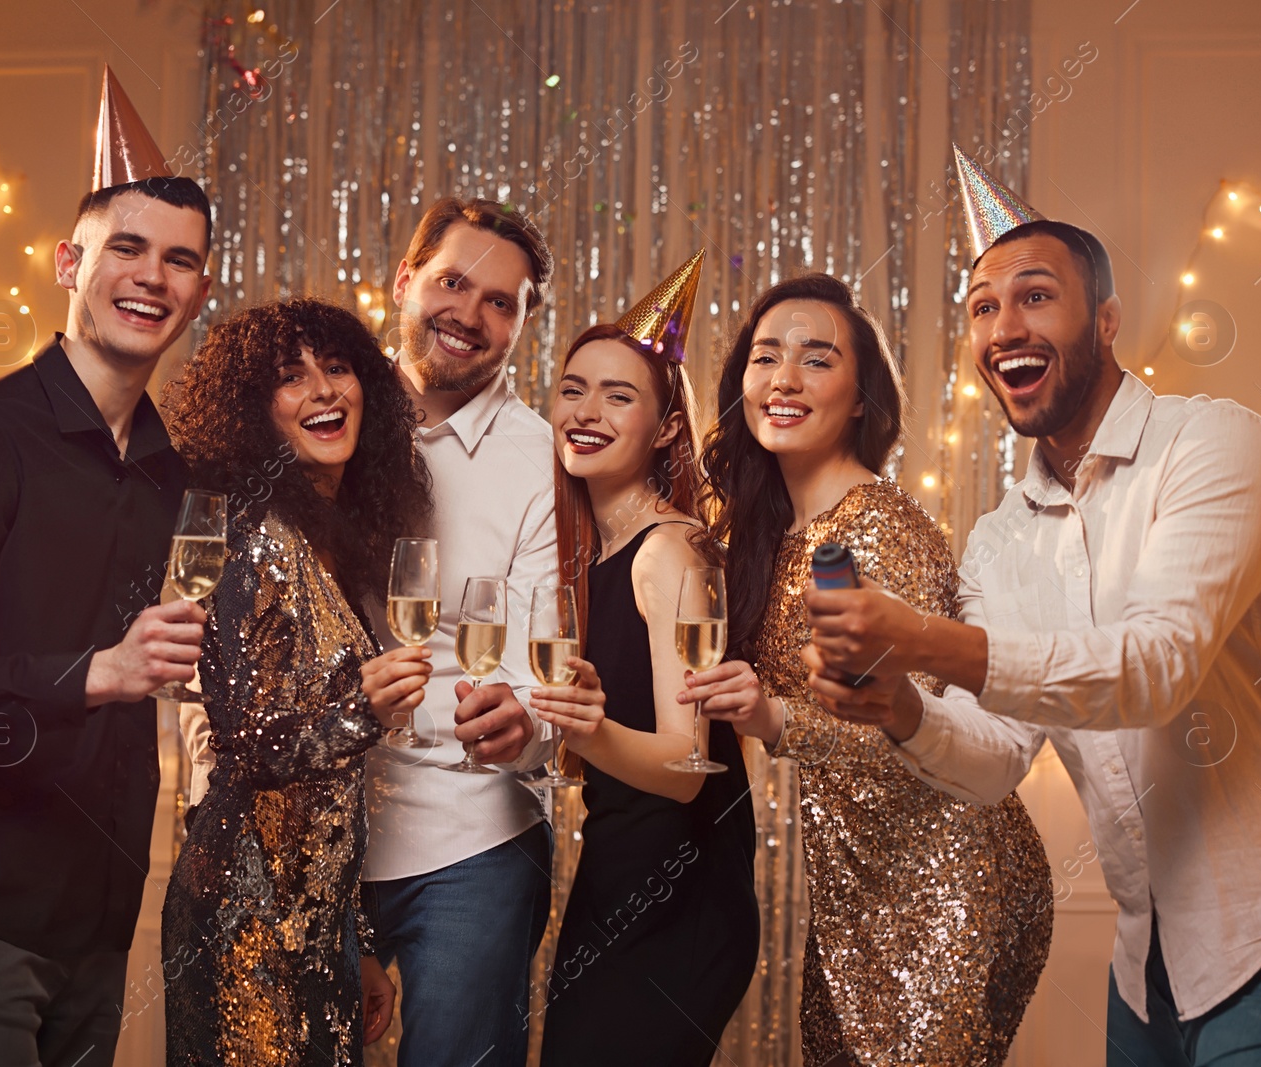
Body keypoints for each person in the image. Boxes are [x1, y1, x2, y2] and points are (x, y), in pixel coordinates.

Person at [804, 147, 1261, 1066]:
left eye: (1036, 295)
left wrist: (927, 637)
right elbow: (1001, 756)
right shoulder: (1002, 540)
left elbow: (1155, 665)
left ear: (1108, 320)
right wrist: (906, 705)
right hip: (1149, 963)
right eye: (982, 307)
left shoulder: (1217, 447)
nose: (1005, 323)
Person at [0, 68, 212, 1066]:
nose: (152, 276)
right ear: (72, 262)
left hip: (98, 912)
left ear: (199, 290)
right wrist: (97, 671)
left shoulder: (173, 477)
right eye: (127, 248)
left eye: (180, 261)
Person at [690, 272, 1052, 1065]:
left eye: (816, 360)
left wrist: (772, 717)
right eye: (765, 357)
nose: (784, 378)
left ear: (860, 399)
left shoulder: (873, 528)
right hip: (857, 884)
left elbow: (912, 729)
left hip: (946, 881)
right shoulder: (777, 533)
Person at [160, 298, 430, 1064]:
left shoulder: (333, 542)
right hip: (245, 915)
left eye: (338, 368)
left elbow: (332, 792)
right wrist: (364, 710)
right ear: (252, 414)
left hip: (317, 918)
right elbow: (245, 750)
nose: (324, 391)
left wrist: (359, 938)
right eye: (291, 377)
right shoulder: (250, 536)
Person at [529, 252, 760, 1066]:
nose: (587, 411)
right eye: (573, 388)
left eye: (618, 396)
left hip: (681, 895)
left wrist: (585, 733)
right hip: (619, 874)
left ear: (666, 428)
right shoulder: (598, 553)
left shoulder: (670, 550)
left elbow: (687, 765)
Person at [356, 197, 559, 1067]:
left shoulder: (544, 462)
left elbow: (550, 659)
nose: (470, 316)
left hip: (475, 836)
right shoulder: (326, 419)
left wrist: (528, 722)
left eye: (501, 302)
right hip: (322, 831)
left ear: (522, 322)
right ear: (405, 280)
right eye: (452, 282)